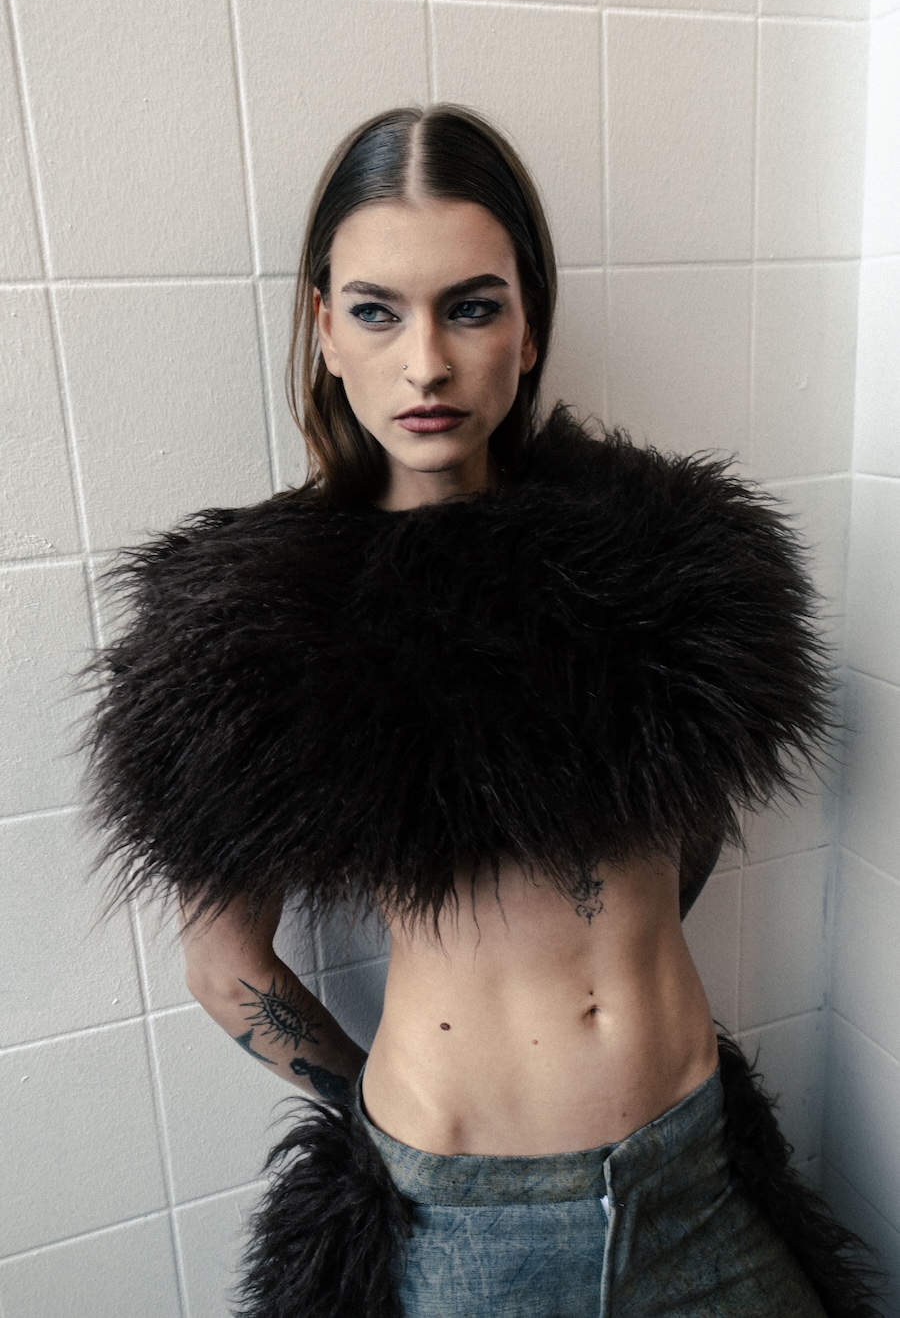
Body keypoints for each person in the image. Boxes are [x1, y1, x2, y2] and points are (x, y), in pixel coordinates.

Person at [86, 106, 883, 1318]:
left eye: (470, 307)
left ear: (529, 323)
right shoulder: (260, 626)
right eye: (377, 311)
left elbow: (687, 828)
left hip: (697, 1182)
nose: (426, 364)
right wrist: (388, 1117)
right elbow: (223, 962)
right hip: (465, 1227)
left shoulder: (657, 568)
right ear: (323, 328)